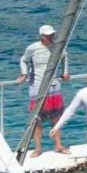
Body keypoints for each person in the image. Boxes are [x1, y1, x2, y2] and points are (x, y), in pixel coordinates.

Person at [20, 23, 66, 153]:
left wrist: (65, 72)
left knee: (55, 116)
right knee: (37, 117)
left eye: (52, 34)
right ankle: (38, 148)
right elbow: (23, 60)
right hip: (37, 85)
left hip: (54, 84)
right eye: (48, 35)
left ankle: (58, 145)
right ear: (42, 36)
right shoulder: (32, 48)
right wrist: (24, 74)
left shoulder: (57, 47)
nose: (51, 36)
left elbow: (64, 56)